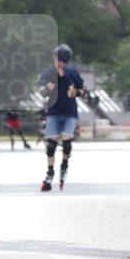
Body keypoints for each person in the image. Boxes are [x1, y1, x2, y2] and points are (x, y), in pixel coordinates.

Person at [37, 44, 86, 191]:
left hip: (69, 113)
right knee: (51, 145)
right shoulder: (48, 73)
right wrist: (48, 87)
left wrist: (76, 93)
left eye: (62, 59)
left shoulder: (72, 73)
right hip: (53, 112)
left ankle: (64, 168)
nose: (60, 62)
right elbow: (42, 92)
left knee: (66, 142)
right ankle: (50, 173)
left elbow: (83, 90)